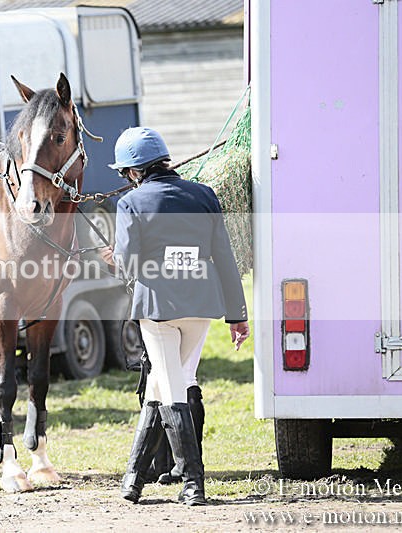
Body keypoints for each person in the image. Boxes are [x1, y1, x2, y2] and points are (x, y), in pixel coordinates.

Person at [101, 127, 250, 506]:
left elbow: (128, 264)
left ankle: (193, 482)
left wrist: (114, 259)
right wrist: (237, 314)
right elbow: (224, 257)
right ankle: (133, 480)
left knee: (171, 387)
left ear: (133, 171)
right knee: (165, 384)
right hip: (200, 307)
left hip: (158, 310)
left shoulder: (131, 203)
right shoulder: (204, 195)